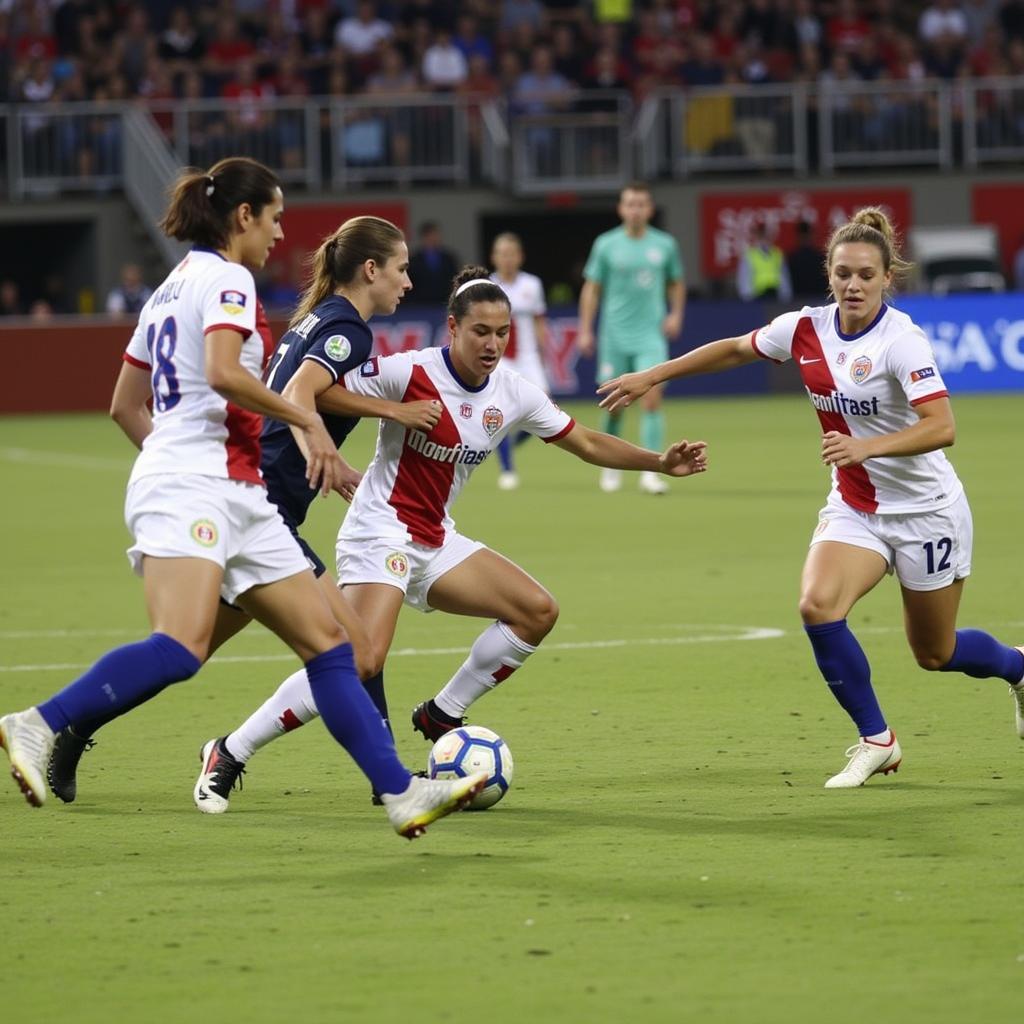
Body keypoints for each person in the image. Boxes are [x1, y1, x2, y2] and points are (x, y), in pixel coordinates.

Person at [0, 158, 485, 838]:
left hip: (237, 491)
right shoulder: (226, 278)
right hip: (206, 486)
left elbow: (123, 406)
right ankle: (39, 723)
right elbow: (225, 374)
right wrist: (300, 423)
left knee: (333, 646)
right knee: (181, 647)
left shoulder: (168, 290)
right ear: (243, 217)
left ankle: (400, 792)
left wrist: (176, 462)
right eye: (276, 218)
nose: (281, 235)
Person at [191, 265, 709, 811]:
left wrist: (658, 461)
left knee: (536, 611)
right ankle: (230, 750)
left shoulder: (513, 392)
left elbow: (585, 443)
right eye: (480, 332)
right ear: (452, 329)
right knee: (359, 660)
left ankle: (442, 713)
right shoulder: (406, 371)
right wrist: (388, 413)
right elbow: (319, 391)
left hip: (435, 540)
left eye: (502, 333)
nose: (492, 344)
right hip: (379, 533)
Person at [598, 206, 1024, 788]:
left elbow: (941, 426)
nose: (853, 284)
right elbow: (734, 349)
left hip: (927, 513)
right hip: (855, 507)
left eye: (866, 275)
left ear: (886, 279)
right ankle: (878, 740)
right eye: (843, 273)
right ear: (828, 273)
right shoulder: (804, 328)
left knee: (936, 652)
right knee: (817, 607)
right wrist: (654, 375)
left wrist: (866, 449)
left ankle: (1018, 668)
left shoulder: (903, 341)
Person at [577, 182, 686, 496]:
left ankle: (653, 470)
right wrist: (585, 329)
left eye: (641, 204)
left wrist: (676, 314)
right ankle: (610, 466)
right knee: (615, 404)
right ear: (621, 209)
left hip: (649, 336)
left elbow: (676, 282)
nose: (635, 209)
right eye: (630, 204)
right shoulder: (606, 244)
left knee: (652, 397)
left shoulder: (664, 245)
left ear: (649, 209)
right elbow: (592, 289)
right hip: (614, 337)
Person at [489, 231, 550, 490]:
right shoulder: (488, 287)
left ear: (520, 257)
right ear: (494, 257)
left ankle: (508, 444)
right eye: (503, 254)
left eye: (512, 254)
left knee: (546, 405)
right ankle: (507, 469)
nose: (507, 259)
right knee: (500, 409)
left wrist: (544, 349)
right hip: (499, 355)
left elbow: (538, 320)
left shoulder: (532, 285)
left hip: (527, 355)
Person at [736, 222, 793, 302]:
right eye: (761, 235)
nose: (764, 238)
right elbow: (744, 278)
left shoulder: (777, 253)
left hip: (775, 296)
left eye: (766, 235)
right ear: (757, 236)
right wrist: (747, 298)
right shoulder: (749, 255)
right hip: (757, 296)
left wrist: (786, 295)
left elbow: (784, 276)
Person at [407, 221, 459, 305]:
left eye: (436, 234)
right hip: (420, 305)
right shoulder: (414, 260)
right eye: (431, 235)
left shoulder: (448, 258)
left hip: (444, 303)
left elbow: (455, 280)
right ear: (424, 237)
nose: (434, 238)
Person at [787, 219, 828, 300]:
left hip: (798, 301)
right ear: (811, 235)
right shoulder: (820, 257)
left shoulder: (792, 258)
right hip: (817, 299)